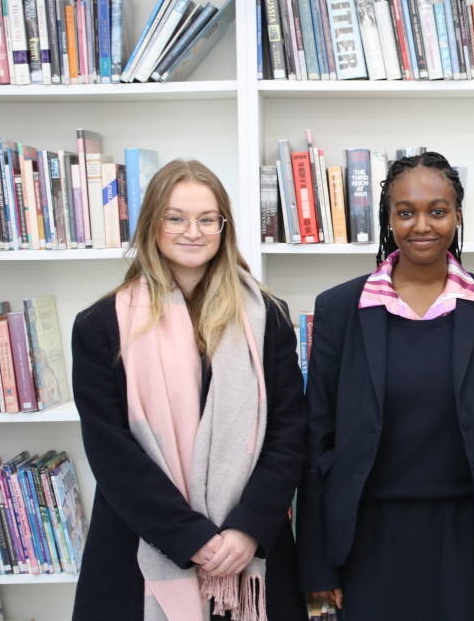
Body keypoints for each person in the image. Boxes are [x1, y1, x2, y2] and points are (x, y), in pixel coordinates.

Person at [297, 151, 474, 620]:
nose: (421, 225)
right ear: (389, 219)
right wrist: (317, 566)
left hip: (469, 537)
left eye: (437, 211)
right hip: (365, 539)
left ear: (457, 216)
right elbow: (315, 442)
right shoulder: (340, 309)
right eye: (405, 212)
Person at [71, 160, 306, 620]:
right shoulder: (100, 326)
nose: (192, 232)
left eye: (206, 219)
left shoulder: (268, 318)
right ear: (151, 225)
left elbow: (288, 433)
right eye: (175, 218)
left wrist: (247, 530)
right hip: (138, 548)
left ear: (224, 227)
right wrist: (190, 538)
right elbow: (109, 449)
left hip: (250, 555)